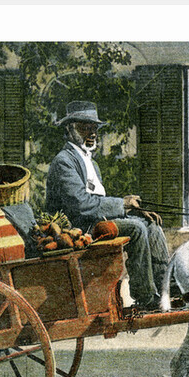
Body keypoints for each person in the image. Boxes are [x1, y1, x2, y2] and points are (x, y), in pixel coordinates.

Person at [45, 101, 169, 310]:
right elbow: (81, 205)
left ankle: (164, 288)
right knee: (137, 229)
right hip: (77, 229)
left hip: (96, 222)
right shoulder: (64, 161)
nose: (92, 133)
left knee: (151, 226)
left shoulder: (90, 162)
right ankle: (145, 297)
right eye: (85, 128)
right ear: (70, 129)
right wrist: (122, 204)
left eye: (94, 128)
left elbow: (98, 200)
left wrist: (130, 207)